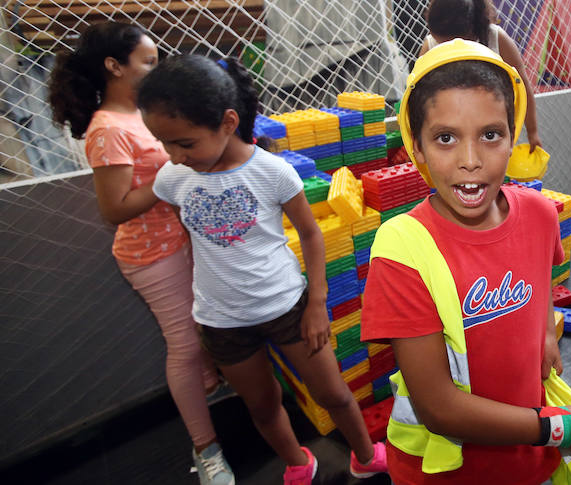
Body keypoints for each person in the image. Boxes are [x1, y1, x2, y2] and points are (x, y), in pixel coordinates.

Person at [137, 55, 388, 485]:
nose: (175, 155)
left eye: (185, 143)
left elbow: (310, 234)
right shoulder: (174, 177)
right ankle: (297, 462)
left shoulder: (272, 172)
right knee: (262, 405)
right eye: (165, 143)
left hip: (288, 308)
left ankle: (365, 456)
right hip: (222, 321)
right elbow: (195, 238)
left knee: (333, 394)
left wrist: (317, 303)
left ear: (227, 122)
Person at [360, 39, 571, 484]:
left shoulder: (540, 214)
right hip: (447, 472)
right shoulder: (402, 249)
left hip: (527, 456)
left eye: (490, 135)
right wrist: (558, 428)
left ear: (513, 136)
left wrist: (547, 332)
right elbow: (438, 409)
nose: (470, 161)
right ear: (417, 147)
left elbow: (540, 283)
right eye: (445, 138)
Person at [47, 22, 235, 485]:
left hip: (184, 239)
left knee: (207, 329)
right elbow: (114, 209)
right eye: (148, 62)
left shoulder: (142, 114)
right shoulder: (107, 129)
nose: (156, 68)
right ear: (114, 66)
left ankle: (212, 393)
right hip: (153, 256)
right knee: (184, 346)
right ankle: (205, 448)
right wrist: (172, 174)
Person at [419, 0, 543, 152]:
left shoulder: (496, 38)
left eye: (448, 43)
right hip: (451, 123)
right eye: (440, 43)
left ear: (469, 32)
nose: (445, 47)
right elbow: (419, 95)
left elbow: (523, 86)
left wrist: (532, 132)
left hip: (492, 121)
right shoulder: (430, 45)